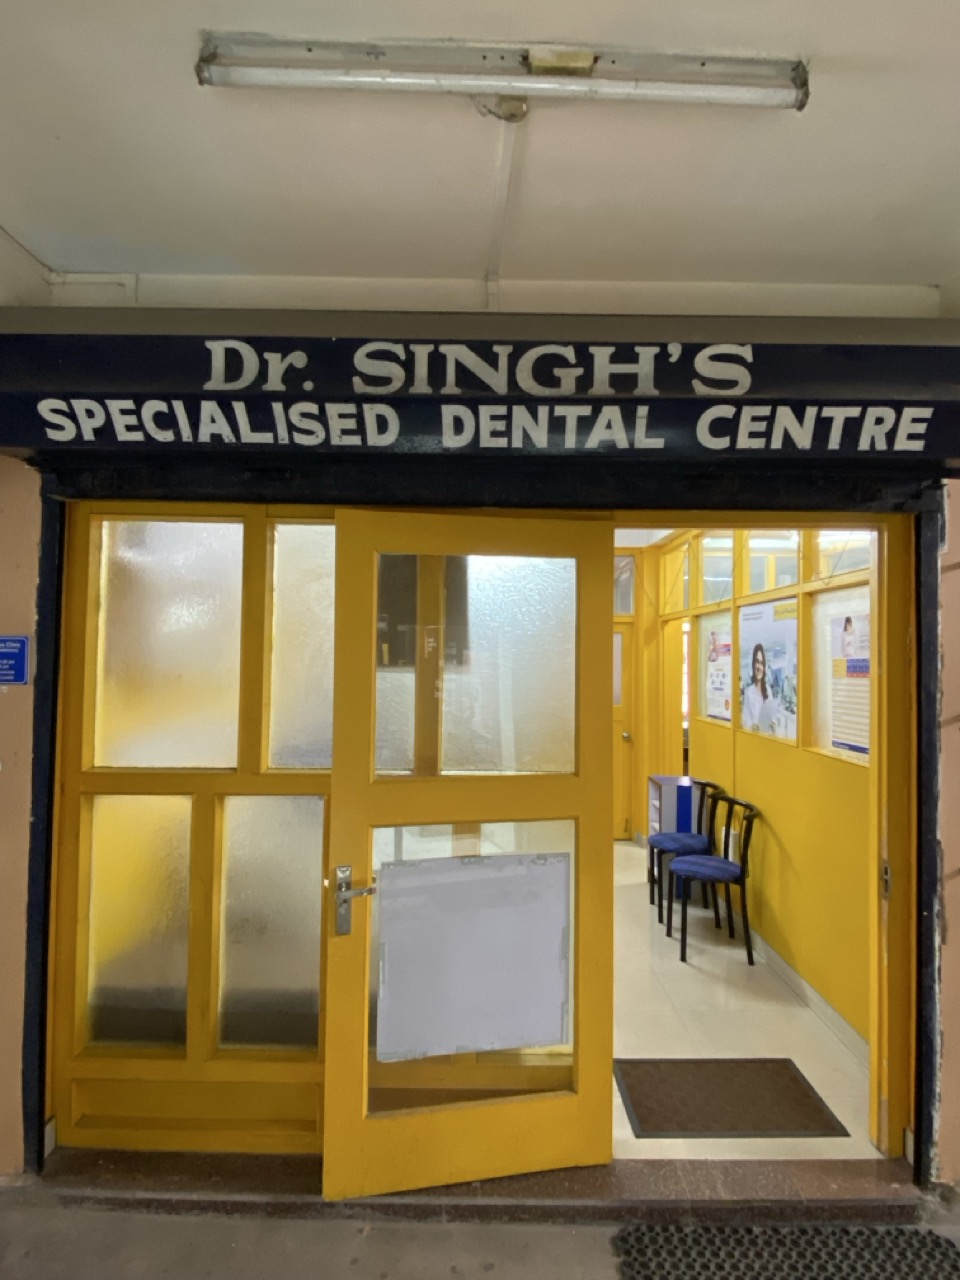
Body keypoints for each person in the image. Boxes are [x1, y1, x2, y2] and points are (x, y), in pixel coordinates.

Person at [742, 642, 770, 731]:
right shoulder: (749, 693)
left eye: (762, 663)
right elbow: (746, 722)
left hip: (767, 739)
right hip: (755, 739)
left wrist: (773, 726)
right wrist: (752, 727)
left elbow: (771, 717)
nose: (759, 667)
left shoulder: (768, 690)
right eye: (757, 662)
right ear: (753, 664)